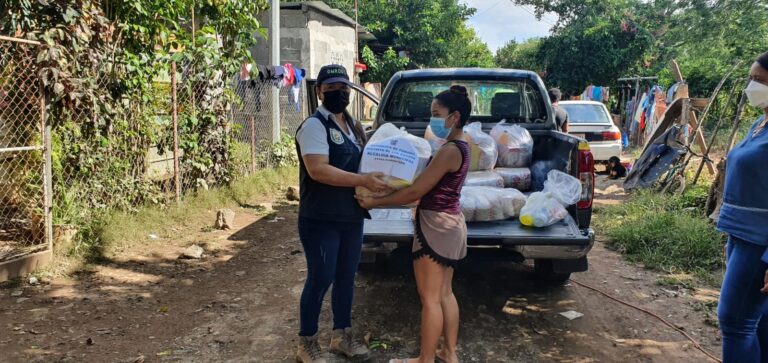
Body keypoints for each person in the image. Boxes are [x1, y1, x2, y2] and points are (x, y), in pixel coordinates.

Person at [357, 85, 471, 363]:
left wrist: (375, 202)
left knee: (429, 298)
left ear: (454, 117)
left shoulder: (448, 151)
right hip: (451, 223)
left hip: (436, 225)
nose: (431, 120)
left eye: (436, 114)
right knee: (445, 293)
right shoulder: (464, 145)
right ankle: (449, 352)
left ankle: (425, 359)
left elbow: (415, 191)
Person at [294, 64, 389, 363]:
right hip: (320, 218)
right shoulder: (314, 126)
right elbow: (318, 170)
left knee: (347, 278)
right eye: (332, 88)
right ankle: (306, 342)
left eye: (344, 87)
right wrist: (362, 181)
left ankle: (341, 337)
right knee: (321, 278)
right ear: (319, 91)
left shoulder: (353, 125)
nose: (339, 92)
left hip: (350, 216)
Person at [716, 51, 768, 362]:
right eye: (750, 79)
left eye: (759, 80)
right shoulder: (760, 122)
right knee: (758, 323)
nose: (751, 86)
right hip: (739, 234)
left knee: (735, 321)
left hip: (759, 243)